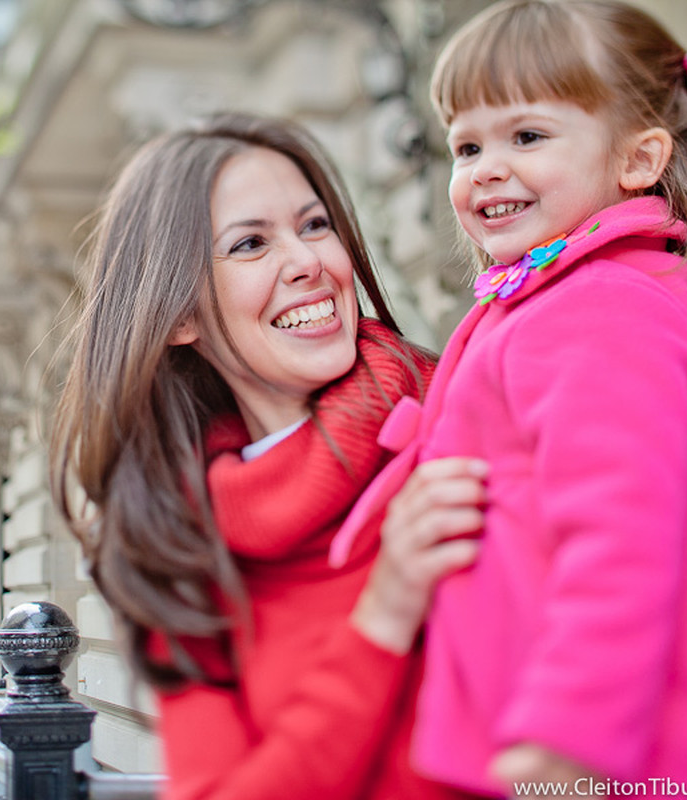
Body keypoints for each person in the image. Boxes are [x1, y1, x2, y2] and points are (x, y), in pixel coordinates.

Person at [331, 1, 687, 795]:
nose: (485, 167)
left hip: (619, 756)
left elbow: (623, 531)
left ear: (639, 160)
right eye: (465, 145)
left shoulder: (599, 309)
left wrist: (568, 734)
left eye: (527, 136)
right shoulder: (585, 296)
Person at [50, 112, 484, 800]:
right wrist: (384, 617)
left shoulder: (469, 417)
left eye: (315, 226)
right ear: (179, 317)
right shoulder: (183, 554)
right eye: (251, 243)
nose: (309, 261)